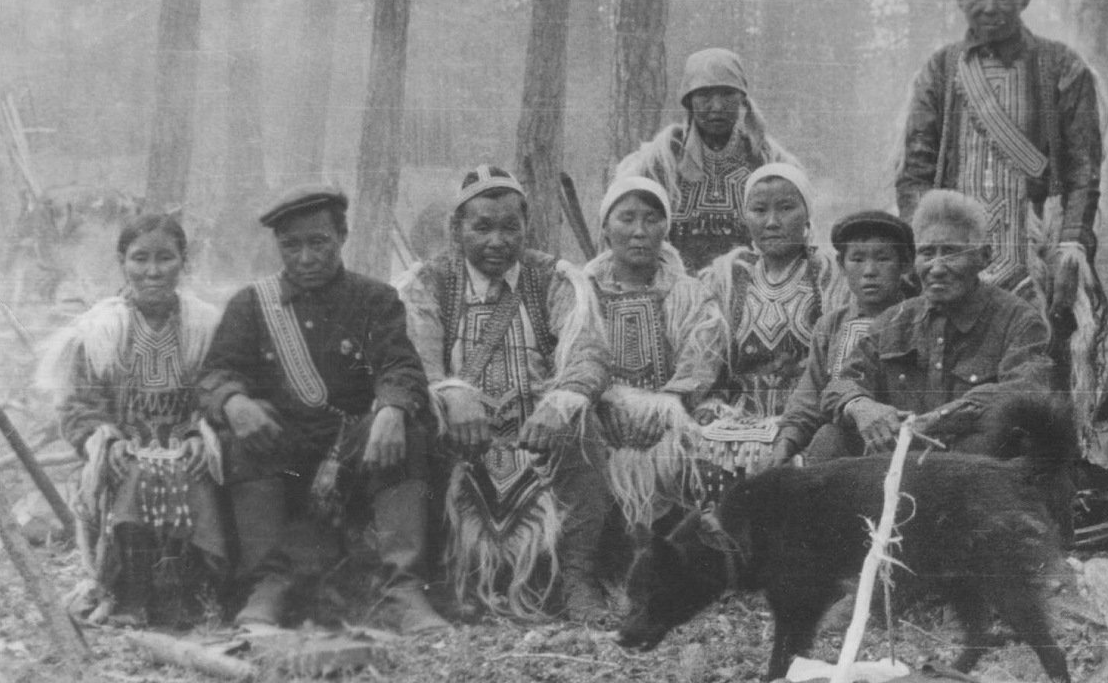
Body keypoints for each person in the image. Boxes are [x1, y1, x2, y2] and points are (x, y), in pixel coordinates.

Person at [198, 185, 447, 634]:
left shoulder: (374, 300)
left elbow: (400, 366)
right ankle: (268, 585)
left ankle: (402, 590)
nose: (306, 258)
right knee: (240, 435)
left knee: (407, 430)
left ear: (343, 236)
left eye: (319, 242)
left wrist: (392, 408)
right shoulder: (251, 306)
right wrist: (233, 400)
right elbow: (216, 373)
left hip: (353, 453)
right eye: (291, 246)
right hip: (282, 456)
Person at [896, 0, 1106, 431]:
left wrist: (1072, 246)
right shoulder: (941, 70)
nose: (990, 5)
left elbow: (1083, 170)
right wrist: (924, 244)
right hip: (956, 250)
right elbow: (915, 171)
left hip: (1035, 249)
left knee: (1044, 359)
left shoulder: (1061, 66)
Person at [395, 166, 613, 621]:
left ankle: (578, 578)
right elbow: (417, 357)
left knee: (583, 424)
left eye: (510, 227)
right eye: (482, 227)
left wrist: (561, 402)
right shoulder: (430, 282)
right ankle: (443, 579)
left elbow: (587, 353)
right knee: (414, 428)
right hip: (459, 435)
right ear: (457, 229)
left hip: (537, 434)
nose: (497, 241)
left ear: (526, 225)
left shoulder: (552, 278)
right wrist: (449, 393)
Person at [36, 214, 227, 627]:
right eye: (140, 259)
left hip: (184, 449)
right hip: (122, 453)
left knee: (192, 476)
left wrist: (199, 434)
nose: (153, 271)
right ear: (122, 262)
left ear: (184, 260)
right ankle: (131, 594)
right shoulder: (99, 330)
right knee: (137, 474)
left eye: (165, 258)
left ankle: (184, 594)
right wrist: (104, 441)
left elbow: (216, 390)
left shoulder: (204, 327)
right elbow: (78, 405)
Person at [829, 190, 1054, 455]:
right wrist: (860, 406)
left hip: (975, 465)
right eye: (927, 253)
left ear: (984, 257)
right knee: (829, 438)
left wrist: (941, 418)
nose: (936, 268)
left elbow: (1026, 390)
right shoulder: (893, 320)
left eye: (950, 253)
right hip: (901, 462)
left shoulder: (1019, 321)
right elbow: (841, 383)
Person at [695, 163, 848, 493]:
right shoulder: (727, 280)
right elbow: (709, 370)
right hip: (736, 421)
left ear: (807, 215)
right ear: (745, 217)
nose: (772, 222)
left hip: (807, 422)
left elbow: (840, 368)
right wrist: (710, 409)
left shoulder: (830, 278)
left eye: (786, 208)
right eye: (759, 210)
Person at [584, 176, 726, 528]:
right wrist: (599, 400)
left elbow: (701, 359)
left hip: (673, 423)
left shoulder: (691, 294)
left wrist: (668, 405)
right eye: (627, 218)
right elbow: (572, 356)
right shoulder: (580, 293)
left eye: (651, 219)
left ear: (666, 228)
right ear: (605, 228)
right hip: (600, 419)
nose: (639, 231)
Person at [615, 47, 799, 272]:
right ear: (689, 101)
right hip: (672, 287)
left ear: (742, 99)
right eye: (705, 96)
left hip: (753, 286)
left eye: (727, 94)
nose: (717, 107)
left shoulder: (769, 160)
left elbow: (795, 236)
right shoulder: (660, 161)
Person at [773, 211, 916, 464]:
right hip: (843, 448)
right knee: (826, 440)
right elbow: (809, 397)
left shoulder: (919, 319)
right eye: (857, 259)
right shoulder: (831, 325)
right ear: (841, 265)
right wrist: (787, 441)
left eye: (883, 258)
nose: (869, 271)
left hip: (904, 442)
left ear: (905, 264)